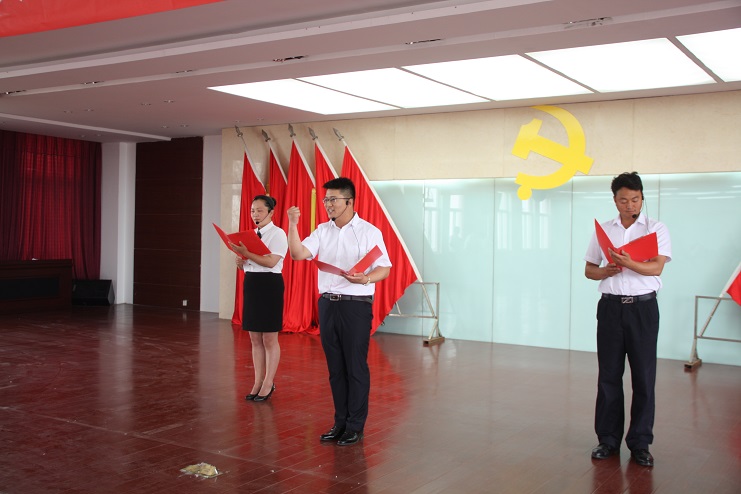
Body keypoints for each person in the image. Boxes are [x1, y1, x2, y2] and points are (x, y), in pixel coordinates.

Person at [286, 177, 391, 446]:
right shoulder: (322, 230)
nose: (328, 204)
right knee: (335, 368)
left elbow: (384, 268)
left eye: (333, 199)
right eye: (326, 200)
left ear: (349, 201)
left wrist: (366, 279)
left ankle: (355, 426)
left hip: (356, 305)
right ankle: (340, 422)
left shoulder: (369, 231)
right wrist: (293, 224)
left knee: (355, 366)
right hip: (328, 304)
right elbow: (297, 254)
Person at [584, 172, 672, 467]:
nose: (630, 205)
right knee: (608, 376)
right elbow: (589, 270)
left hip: (643, 310)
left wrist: (629, 263)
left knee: (644, 377)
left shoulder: (656, 229)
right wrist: (606, 271)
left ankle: (640, 443)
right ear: (615, 200)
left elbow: (656, 268)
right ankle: (607, 440)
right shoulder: (604, 231)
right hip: (610, 309)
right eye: (624, 200)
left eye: (635, 199)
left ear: (642, 198)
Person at [231, 195, 287, 402]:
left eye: (260, 210)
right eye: (252, 211)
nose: (255, 214)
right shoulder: (250, 235)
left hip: (270, 285)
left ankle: (268, 382)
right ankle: (257, 381)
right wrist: (241, 261)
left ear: (271, 212)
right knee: (254, 338)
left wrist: (247, 254)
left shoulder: (278, 233)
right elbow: (250, 263)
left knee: (269, 338)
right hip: (252, 284)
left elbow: (271, 262)